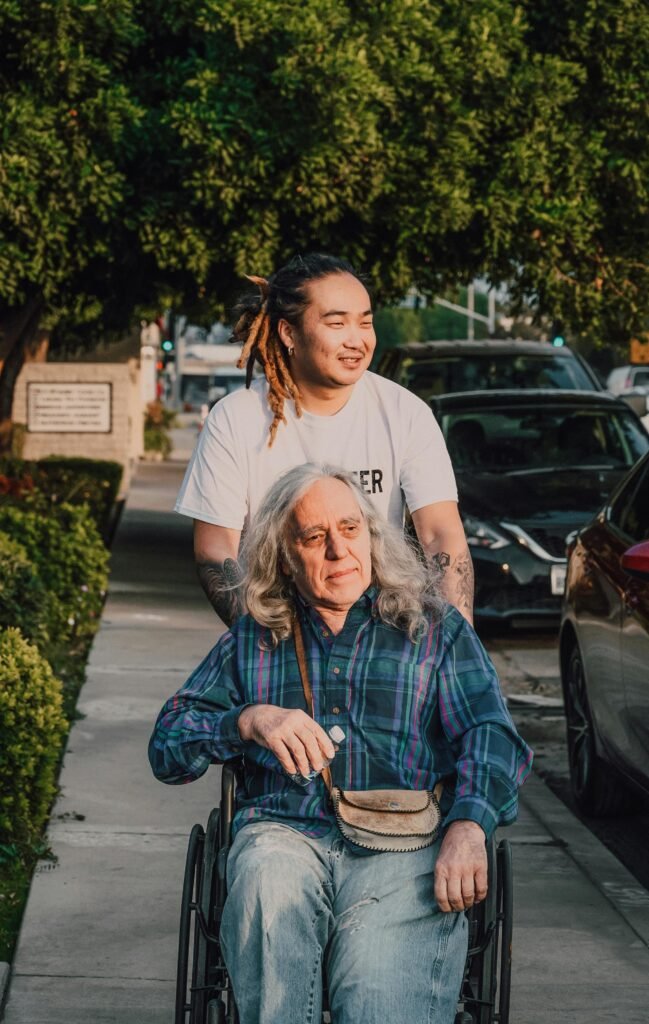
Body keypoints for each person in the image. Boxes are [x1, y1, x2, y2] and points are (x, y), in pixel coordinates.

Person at [150, 464, 532, 1024]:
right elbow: (167, 748)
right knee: (264, 883)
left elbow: (492, 735)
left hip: (404, 845)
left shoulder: (434, 628)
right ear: (284, 556)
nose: (338, 551)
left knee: (377, 995)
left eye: (350, 529)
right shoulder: (254, 638)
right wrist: (248, 720)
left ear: (371, 536)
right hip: (283, 836)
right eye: (314, 537)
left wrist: (470, 824)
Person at [174, 253, 474, 626]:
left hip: (384, 637)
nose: (357, 340)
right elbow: (216, 550)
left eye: (365, 323)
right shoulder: (235, 419)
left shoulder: (405, 413)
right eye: (336, 323)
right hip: (277, 634)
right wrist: (261, 640)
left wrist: (460, 644)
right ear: (288, 333)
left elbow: (441, 535)